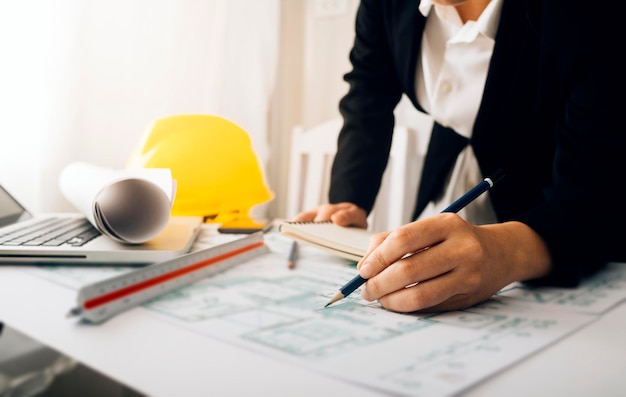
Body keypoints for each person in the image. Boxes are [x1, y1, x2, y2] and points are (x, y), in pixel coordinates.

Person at [294, 0, 625, 313]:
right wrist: (349, 199)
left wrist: (509, 253)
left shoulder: (590, 13)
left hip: (569, 210)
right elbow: (367, 93)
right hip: (453, 175)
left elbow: (595, 196)